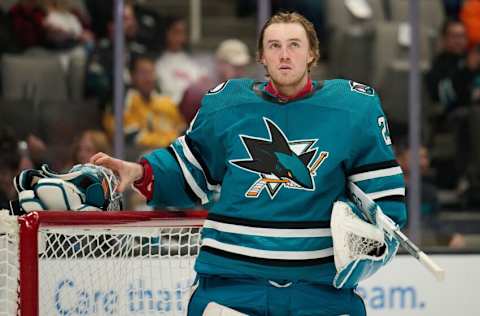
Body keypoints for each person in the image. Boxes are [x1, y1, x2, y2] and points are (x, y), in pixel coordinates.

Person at [91, 12, 406, 315]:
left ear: (312, 54)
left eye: (295, 45)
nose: (284, 55)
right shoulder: (228, 104)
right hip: (233, 284)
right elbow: (190, 170)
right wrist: (141, 171)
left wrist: (375, 238)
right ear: (262, 57)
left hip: (319, 290)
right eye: (274, 46)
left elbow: (384, 207)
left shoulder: (353, 110)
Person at [103, 55, 186, 149]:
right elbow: (129, 139)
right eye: (143, 73)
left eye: (151, 72)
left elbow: (183, 131)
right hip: (133, 158)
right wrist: (170, 142)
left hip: (168, 157)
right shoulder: (121, 101)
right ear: (132, 76)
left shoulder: (166, 102)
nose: (148, 78)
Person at [179, 38, 251, 124]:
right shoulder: (198, 93)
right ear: (220, 63)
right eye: (236, 67)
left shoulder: (246, 93)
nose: (241, 72)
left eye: (243, 67)